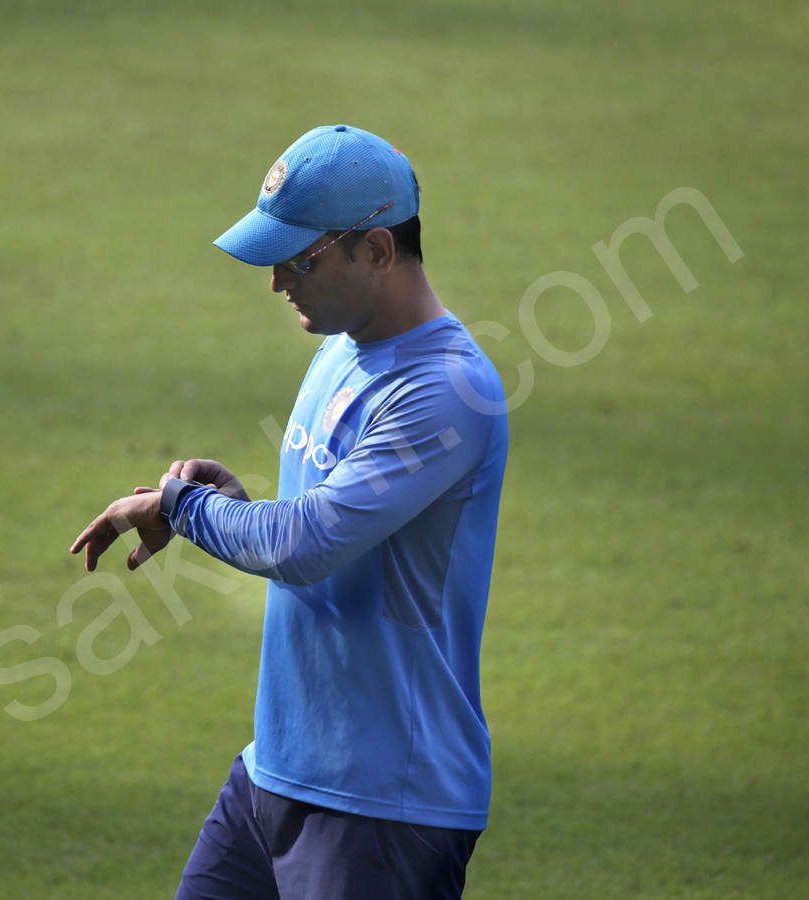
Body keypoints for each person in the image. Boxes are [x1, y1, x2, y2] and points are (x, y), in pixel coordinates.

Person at [71, 124, 508, 900]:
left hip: (383, 806)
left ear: (376, 251)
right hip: (273, 772)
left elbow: (306, 544)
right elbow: (330, 535)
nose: (277, 283)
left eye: (299, 259)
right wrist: (231, 507)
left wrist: (186, 505)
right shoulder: (340, 347)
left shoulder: (445, 391)